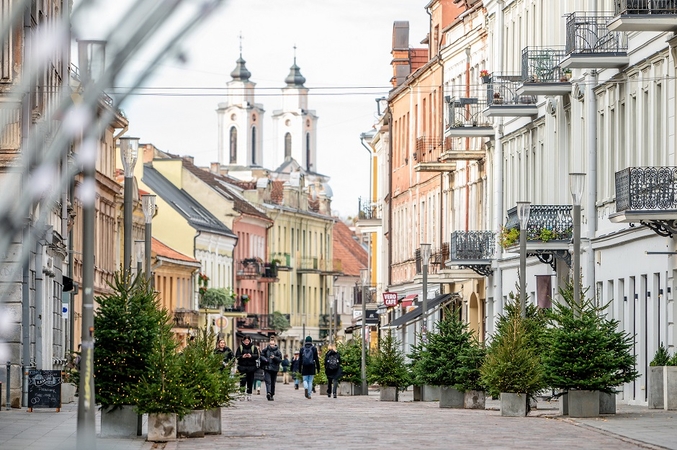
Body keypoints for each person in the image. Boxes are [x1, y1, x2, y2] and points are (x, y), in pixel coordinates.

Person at [235, 336, 260, 401]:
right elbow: (237, 356)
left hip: (251, 367)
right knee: (242, 381)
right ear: (243, 341)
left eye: (248, 341)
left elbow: (257, 356)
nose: (246, 342)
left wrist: (251, 356)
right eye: (245, 341)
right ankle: (242, 394)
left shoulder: (253, 347)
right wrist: (242, 356)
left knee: (250, 381)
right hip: (242, 367)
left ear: (250, 341)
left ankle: (249, 394)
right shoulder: (240, 347)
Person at [261, 336, 283, 400]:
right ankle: (268, 393)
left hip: (274, 369)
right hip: (267, 368)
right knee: (268, 381)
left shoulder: (278, 351)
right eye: (270, 344)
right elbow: (261, 356)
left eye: (273, 344)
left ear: (275, 344)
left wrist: (274, 358)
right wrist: (265, 360)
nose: (271, 345)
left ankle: (272, 394)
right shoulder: (265, 350)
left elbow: (280, 360)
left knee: (273, 382)